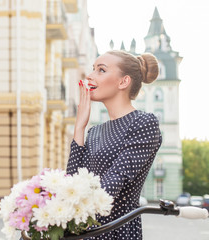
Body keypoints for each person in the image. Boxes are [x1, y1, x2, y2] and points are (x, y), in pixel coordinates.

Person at [66, 50, 163, 240]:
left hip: (115, 229)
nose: (90, 75)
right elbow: (73, 182)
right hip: (84, 230)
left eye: (101, 70)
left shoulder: (143, 123)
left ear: (123, 82)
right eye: (92, 69)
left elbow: (111, 187)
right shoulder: (94, 131)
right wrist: (79, 127)